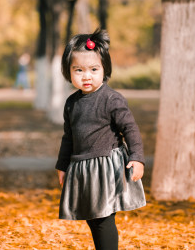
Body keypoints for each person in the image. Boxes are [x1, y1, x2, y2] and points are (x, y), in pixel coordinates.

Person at [55, 28, 146, 250]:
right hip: (81, 167)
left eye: (93, 69)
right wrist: (62, 165)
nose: (86, 76)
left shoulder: (111, 99)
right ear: (69, 72)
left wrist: (137, 158)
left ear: (104, 69)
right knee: (91, 217)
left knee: (104, 218)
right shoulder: (71, 103)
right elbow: (69, 137)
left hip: (106, 167)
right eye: (78, 70)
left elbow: (130, 129)